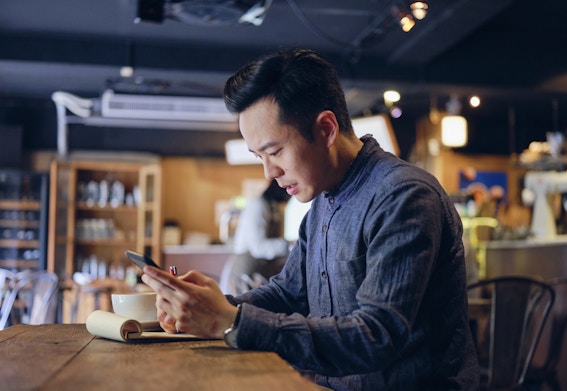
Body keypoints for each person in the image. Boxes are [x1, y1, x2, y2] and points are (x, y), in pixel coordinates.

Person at [141, 48, 479, 390]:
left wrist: (230, 321)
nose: (269, 172)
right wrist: (211, 307)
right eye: (259, 156)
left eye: (275, 152)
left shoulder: (404, 196)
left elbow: (376, 336)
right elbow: (290, 292)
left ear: (326, 129)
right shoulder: (323, 198)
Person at [224, 179, 291, 293]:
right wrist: (289, 245)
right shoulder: (258, 205)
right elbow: (258, 247)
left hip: (261, 269)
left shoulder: (273, 208)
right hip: (246, 268)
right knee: (242, 308)